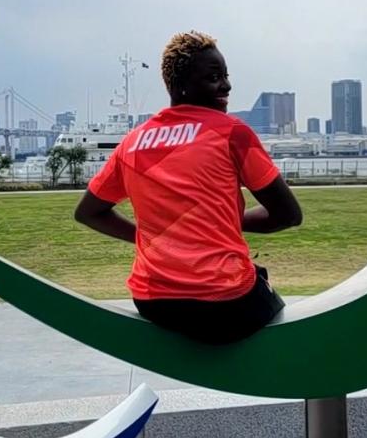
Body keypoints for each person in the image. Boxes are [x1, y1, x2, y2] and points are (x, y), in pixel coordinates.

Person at [74, 31, 302, 344]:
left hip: (153, 302)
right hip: (225, 303)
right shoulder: (232, 133)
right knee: (277, 316)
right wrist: (227, 223)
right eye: (214, 77)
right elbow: (288, 215)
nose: (227, 85)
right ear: (181, 85)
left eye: (225, 76)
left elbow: (88, 212)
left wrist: (145, 237)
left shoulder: (132, 142)